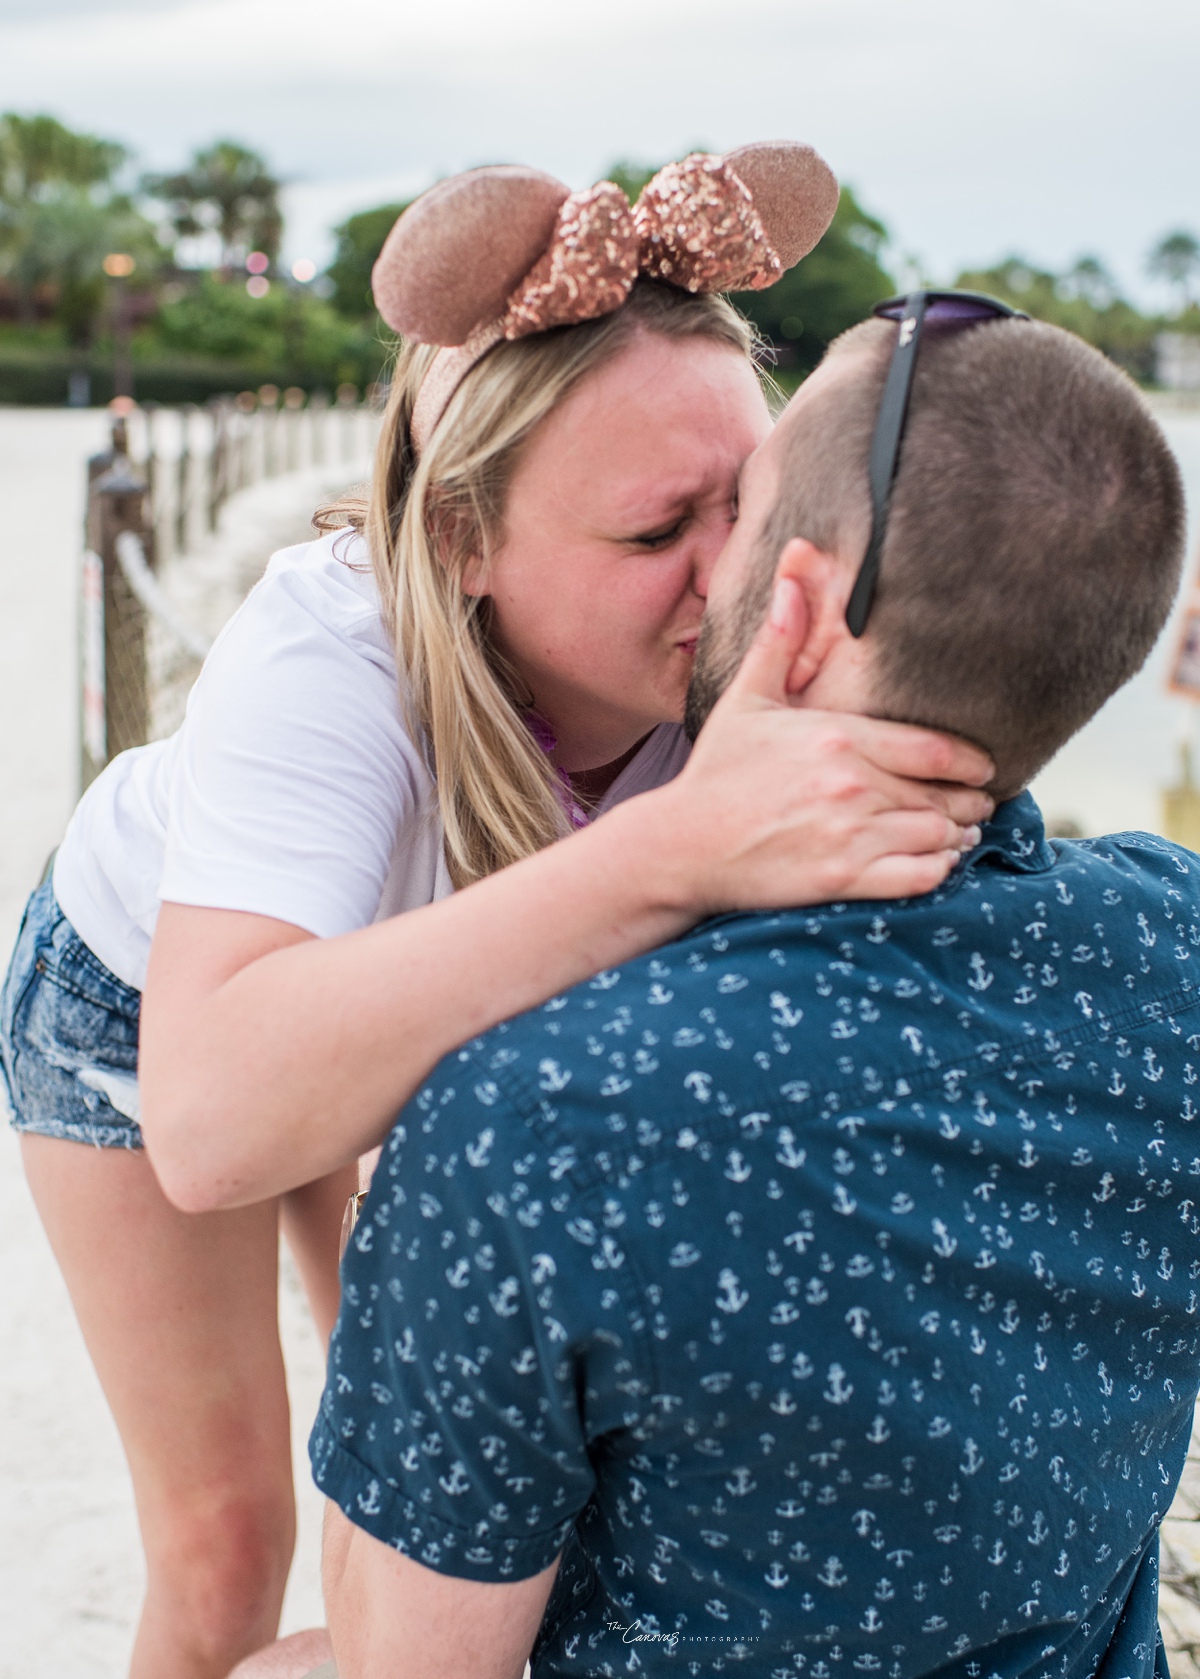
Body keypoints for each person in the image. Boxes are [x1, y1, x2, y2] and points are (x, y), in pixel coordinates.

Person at [0, 152, 992, 1679]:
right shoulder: (331, 650)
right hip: (149, 1004)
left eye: (757, 499)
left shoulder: (764, 613)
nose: (732, 577)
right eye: (659, 530)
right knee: (226, 1542)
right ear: (461, 539)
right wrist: (672, 848)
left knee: (403, 1477)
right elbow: (212, 1123)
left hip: (448, 1004)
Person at [256, 296, 1195, 1679]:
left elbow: (412, 1660)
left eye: (744, 506)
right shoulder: (1172, 949)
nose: (705, 575)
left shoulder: (532, 1116)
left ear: (797, 612)